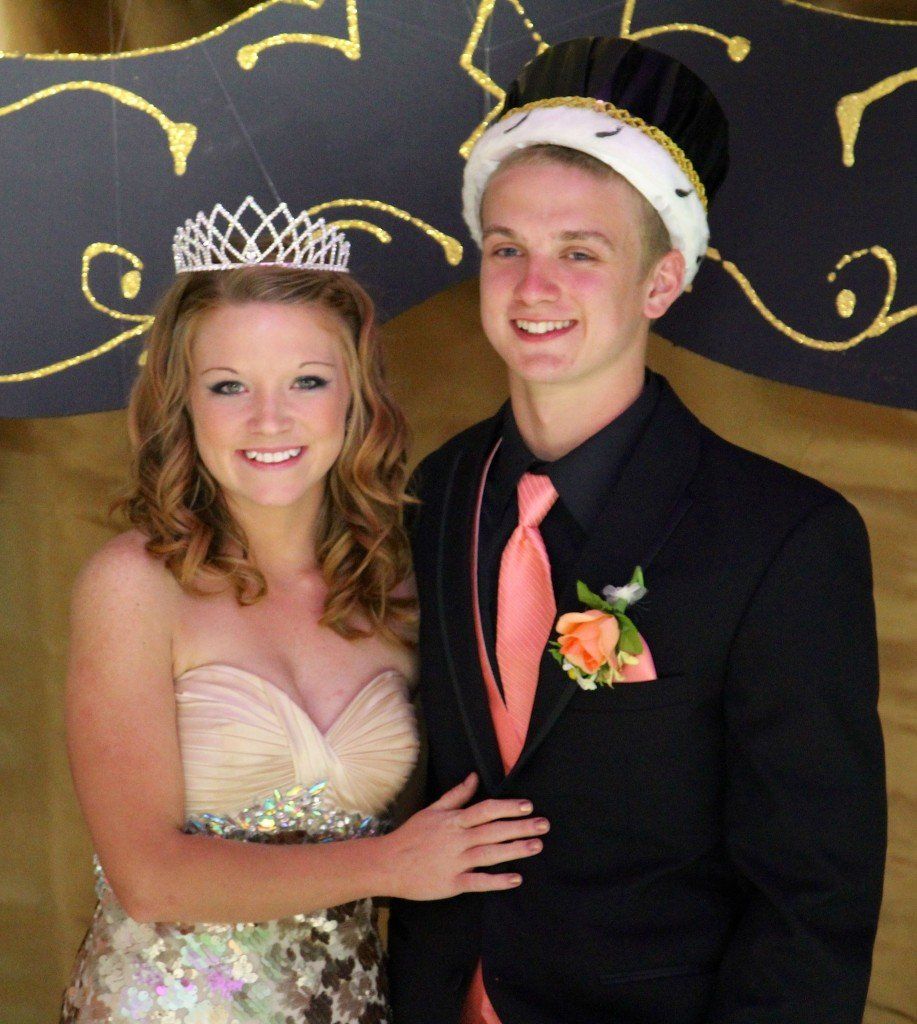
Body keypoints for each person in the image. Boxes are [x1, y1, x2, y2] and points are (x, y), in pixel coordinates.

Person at [388, 37, 886, 1024]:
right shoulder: (432, 493)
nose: (534, 288)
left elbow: (811, 900)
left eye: (580, 253)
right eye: (506, 249)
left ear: (660, 283)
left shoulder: (783, 540)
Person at [60, 197, 547, 1023]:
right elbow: (149, 878)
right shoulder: (134, 585)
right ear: (183, 402)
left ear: (355, 397)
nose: (269, 420)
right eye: (228, 387)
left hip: (350, 1004)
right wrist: (388, 866)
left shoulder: (402, 582)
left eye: (307, 382)